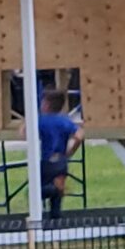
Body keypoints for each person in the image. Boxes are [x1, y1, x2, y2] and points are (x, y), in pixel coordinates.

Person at [38, 89, 84, 221]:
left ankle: (39, 218)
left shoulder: (42, 121)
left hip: (46, 161)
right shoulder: (65, 121)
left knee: (37, 191)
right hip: (61, 161)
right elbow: (79, 136)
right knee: (57, 198)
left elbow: (24, 132)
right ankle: (56, 220)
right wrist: (70, 151)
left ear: (46, 104)